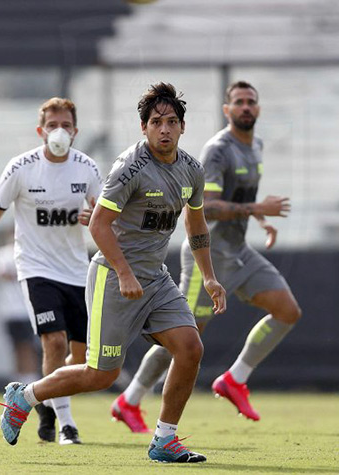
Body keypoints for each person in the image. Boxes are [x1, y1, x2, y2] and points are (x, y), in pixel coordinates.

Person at [0, 82, 228, 464]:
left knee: (190, 347)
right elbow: (98, 226)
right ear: (143, 128)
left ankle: (164, 440)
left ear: (183, 127)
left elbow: (196, 227)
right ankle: (23, 397)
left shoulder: (191, 170)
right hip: (113, 277)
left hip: (156, 280)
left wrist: (208, 276)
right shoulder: (130, 167)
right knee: (100, 375)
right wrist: (125, 273)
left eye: (172, 122)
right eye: (157, 122)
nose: (165, 129)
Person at [111, 80, 302, 432]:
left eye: (251, 102)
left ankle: (235, 378)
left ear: (258, 109)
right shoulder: (217, 150)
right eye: (238, 102)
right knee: (184, 338)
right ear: (226, 110)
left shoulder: (255, 146)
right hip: (208, 255)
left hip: (238, 251)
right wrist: (258, 208)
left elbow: (235, 195)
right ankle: (130, 399)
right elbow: (207, 208)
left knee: (287, 310)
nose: (245, 107)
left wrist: (257, 218)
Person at [0, 97, 101, 445]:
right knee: (53, 341)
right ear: (40, 131)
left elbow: (106, 220)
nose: (59, 131)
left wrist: (93, 219)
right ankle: (66, 423)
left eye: (66, 125)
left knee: (80, 358)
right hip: (35, 268)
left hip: (77, 271)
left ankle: (43, 402)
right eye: (52, 125)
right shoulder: (21, 167)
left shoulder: (87, 168)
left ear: (76, 131)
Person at [0, 240, 41, 385]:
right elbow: (2, 273)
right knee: (15, 347)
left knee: (28, 346)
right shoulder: (2, 253)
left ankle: (31, 380)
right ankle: (19, 381)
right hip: (9, 310)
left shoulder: (30, 252)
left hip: (26, 309)